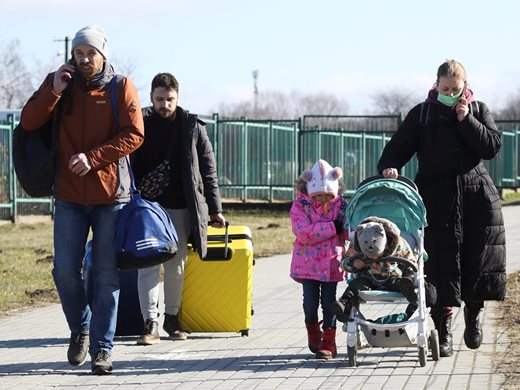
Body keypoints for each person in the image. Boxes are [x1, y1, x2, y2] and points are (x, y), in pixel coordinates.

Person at [20, 25, 144, 374]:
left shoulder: (121, 87)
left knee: (105, 275)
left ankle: (103, 349)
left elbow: (135, 134)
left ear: (103, 54)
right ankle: (82, 328)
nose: (84, 59)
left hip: (110, 197)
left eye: (91, 53)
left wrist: (93, 157)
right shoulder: (58, 82)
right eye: (79, 53)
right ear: (72, 55)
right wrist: (54, 91)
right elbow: (29, 121)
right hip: (69, 196)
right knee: (63, 271)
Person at [377, 59, 506, 357]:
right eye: (445, 88)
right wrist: (389, 168)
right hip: (435, 197)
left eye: (456, 89)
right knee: (438, 265)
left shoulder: (478, 110)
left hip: (477, 197)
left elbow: (491, 147)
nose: (450, 93)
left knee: (476, 261)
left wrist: (466, 121)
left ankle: (473, 316)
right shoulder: (421, 114)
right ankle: (443, 330)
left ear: (465, 87)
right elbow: (397, 148)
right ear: (436, 85)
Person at [131, 72, 225, 345]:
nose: (165, 104)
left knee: (177, 264)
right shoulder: (138, 122)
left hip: (183, 207)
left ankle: (171, 317)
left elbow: (209, 170)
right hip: (147, 209)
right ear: (151, 97)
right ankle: (150, 323)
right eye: (159, 99)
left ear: (178, 98)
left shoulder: (193, 126)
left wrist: (215, 209)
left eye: (169, 99)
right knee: (147, 266)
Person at [289, 159, 348, 359]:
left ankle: (329, 341)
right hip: (308, 264)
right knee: (310, 304)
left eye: (328, 195)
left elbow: (348, 231)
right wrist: (334, 227)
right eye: (319, 195)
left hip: (332, 262)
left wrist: (350, 228)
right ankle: (313, 330)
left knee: (330, 302)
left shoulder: (341, 207)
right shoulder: (300, 207)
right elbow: (304, 232)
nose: (324, 199)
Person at [330, 216, 418, 322]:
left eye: (378, 254)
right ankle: (345, 304)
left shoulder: (398, 244)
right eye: (370, 256)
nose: (373, 258)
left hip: (392, 276)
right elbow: (343, 264)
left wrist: (408, 275)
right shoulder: (358, 244)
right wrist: (353, 263)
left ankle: (406, 288)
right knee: (356, 284)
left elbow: (411, 262)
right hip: (368, 277)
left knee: (398, 282)